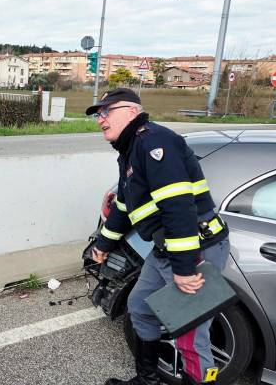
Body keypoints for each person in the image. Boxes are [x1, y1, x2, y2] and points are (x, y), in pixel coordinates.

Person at [86, 88, 230, 385]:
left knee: (190, 335)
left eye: (106, 112)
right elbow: (124, 208)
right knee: (140, 307)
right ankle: (147, 380)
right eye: (98, 114)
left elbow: (178, 207)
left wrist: (184, 268)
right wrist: (102, 244)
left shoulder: (154, 141)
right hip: (165, 251)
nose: (100, 119)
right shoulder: (130, 150)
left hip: (195, 249)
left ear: (132, 111)